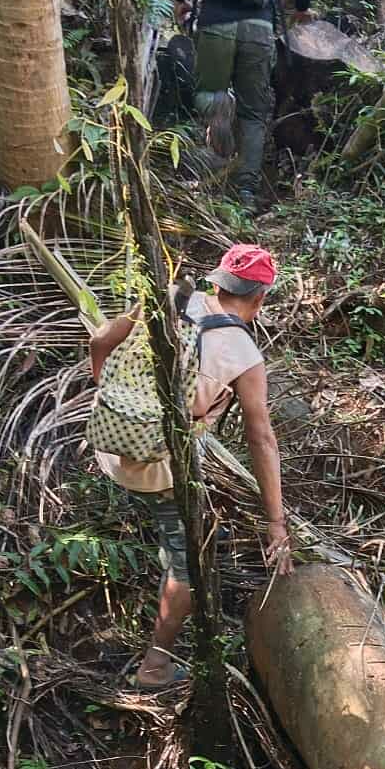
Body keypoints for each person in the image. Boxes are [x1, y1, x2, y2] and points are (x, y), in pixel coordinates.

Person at [89, 244, 292, 692]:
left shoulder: (172, 298)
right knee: (190, 561)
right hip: (161, 470)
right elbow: (261, 439)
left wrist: (113, 398)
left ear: (217, 282)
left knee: (177, 527)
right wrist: (276, 523)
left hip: (110, 447)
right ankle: (155, 666)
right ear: (259, 299)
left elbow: (100, 340)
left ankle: (159, 547)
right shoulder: (244, 355)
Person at [173, 0, 313, 208]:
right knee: (253, 113)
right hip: (259, 31)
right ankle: (247, 190)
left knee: (212, 95)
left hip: (215, 26)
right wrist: (304, 8)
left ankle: (212, 170)